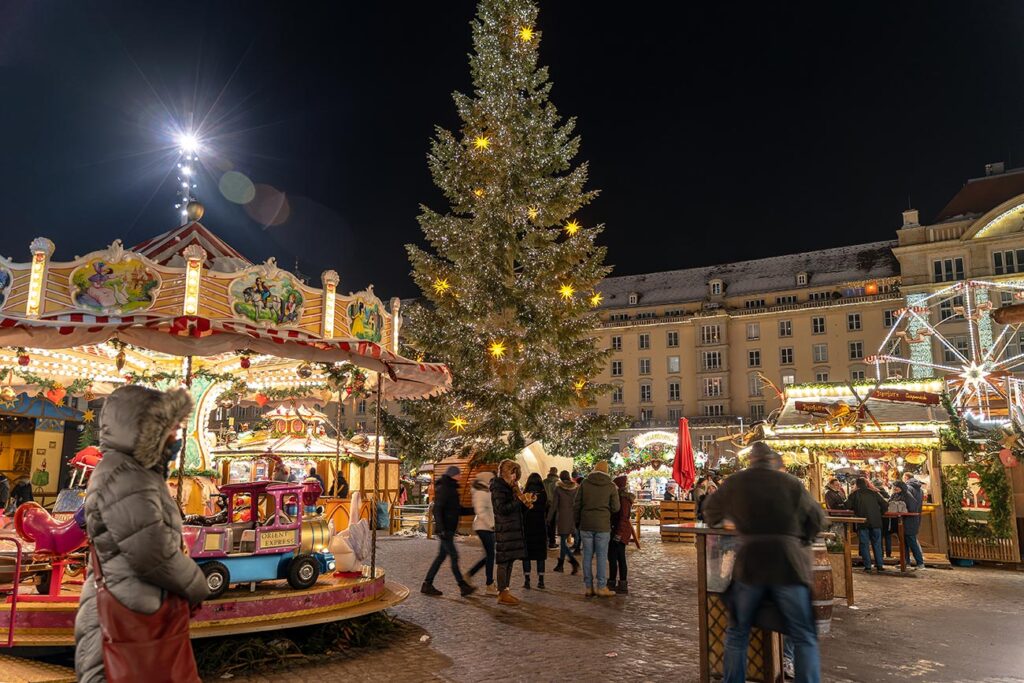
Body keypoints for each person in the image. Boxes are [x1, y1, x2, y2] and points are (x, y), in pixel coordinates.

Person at [74, 385, 209, 683]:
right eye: (169, 430)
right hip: (128, 615)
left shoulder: (136, 472)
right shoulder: (125, 474)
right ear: (143, 430)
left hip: (137, 608)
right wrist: (196, 583)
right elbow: (151, 550)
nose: (175, 437)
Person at [702, 441, 826, 683]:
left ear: (751, 460)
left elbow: (710, 511)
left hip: (751, 563)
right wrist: (802, 538)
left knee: (738, 632)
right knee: (803, 634)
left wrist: (730, 523)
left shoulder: (736, 482)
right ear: (774, 461)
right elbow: (817, 519)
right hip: (788, 564)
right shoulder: (791, 483)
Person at [421, 466, 476, 597]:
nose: (461, 476)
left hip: (448, 529)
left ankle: (427, 584)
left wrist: (474, 510)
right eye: (459, 474)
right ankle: (462, 586)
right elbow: (437, 509)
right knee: (454, 556)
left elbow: (457, 510)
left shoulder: (450, 488)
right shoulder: (445, 488)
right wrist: (441, 529)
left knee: (441, 557)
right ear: (453, 475)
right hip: (446, 531)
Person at [574, 461, 619, 597]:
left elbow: (577, 504)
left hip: (586, 524)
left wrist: (578, 522)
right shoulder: (611, 486)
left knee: (587, 556)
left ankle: (588, 587)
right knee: (601, 556)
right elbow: (616, 507)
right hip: (603, 526)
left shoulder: (585, 483)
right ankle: (601, 587)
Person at [491, 459, 528, 605]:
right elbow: (501, 509)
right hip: (505, 529)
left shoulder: (510, 487)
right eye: (513, 474)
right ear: (507, 473)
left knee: (510, 561)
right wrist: (519, 500)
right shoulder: (498, 488)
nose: (515, 478)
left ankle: (506, 590)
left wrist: (526, 501)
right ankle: (502, 592)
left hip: (511, 529)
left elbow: (515, 508)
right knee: (504, 562)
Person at [845, 477, 888, 572]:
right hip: (876, 522)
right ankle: (879, 565)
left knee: (864, 544)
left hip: (862, 522)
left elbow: (847, 506)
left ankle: (868, 566)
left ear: (856, 484)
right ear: (867, 483)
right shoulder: (874, 492)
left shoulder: (854, 494)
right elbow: (885, 504)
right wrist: (879, 514)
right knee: (877, 543)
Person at [466, 471, 498, 594]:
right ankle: (489, 584)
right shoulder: (480, 492)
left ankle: (470, 575)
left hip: (488, 527)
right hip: (483, 527)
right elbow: (480, 511)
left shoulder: (486, 491)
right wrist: (491, 524)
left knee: (489, 555)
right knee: (490, 555)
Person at [521, 472, 549, 589]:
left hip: (528, 527)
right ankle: (541, 581)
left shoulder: (525, 494)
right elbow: (546, 509)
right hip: (540, 527)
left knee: (526, 554)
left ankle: (527, 580)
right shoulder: (543, 494)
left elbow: (521, 510)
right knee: (540, 554)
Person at [607, 474, 635, 594]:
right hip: (621, 530)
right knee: (618, 557)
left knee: (615, 556)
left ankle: (615, 582)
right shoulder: (623, 498)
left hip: (620, 531)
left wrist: (618, 534)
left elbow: (623, 518)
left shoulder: (622, 500)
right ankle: (620, 583)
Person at [549, 470, 580, 574]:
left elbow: (554, 505)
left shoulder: (558, 489)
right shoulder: (576, 488)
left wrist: (548, 518)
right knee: (563, 542)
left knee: (563, 542)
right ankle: (560, 564)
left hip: (562, 517)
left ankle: (573, 561)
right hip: (572, 517)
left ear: (561, 478)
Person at [896, 479, 926, 569]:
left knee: (912, 542)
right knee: (905, 542)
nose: (895, 490)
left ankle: (920, 563)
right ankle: (906, 562)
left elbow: (912, 507)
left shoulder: (907, 493)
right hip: (909, 520)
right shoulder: (918, 490)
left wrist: (903, 510)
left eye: (896, 488)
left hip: (909, 521)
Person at [883, 479, 909, 557]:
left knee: (902, 539)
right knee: (887, 535)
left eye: (896, 487)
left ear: (901, 487)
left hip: (900, 520)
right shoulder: (893, 495)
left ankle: (905, 557)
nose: (895, 488)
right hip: (890, 520)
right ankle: (888, 554)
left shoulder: (905, 495)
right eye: (894, 487)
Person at [543, 467, 559, 549]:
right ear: (556, 472)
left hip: (545, 505)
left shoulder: (544, 481)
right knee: (553, 524)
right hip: (554, 505)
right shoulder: (558, 482)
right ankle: (552, 542)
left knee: (546, 523)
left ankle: (546, 540)